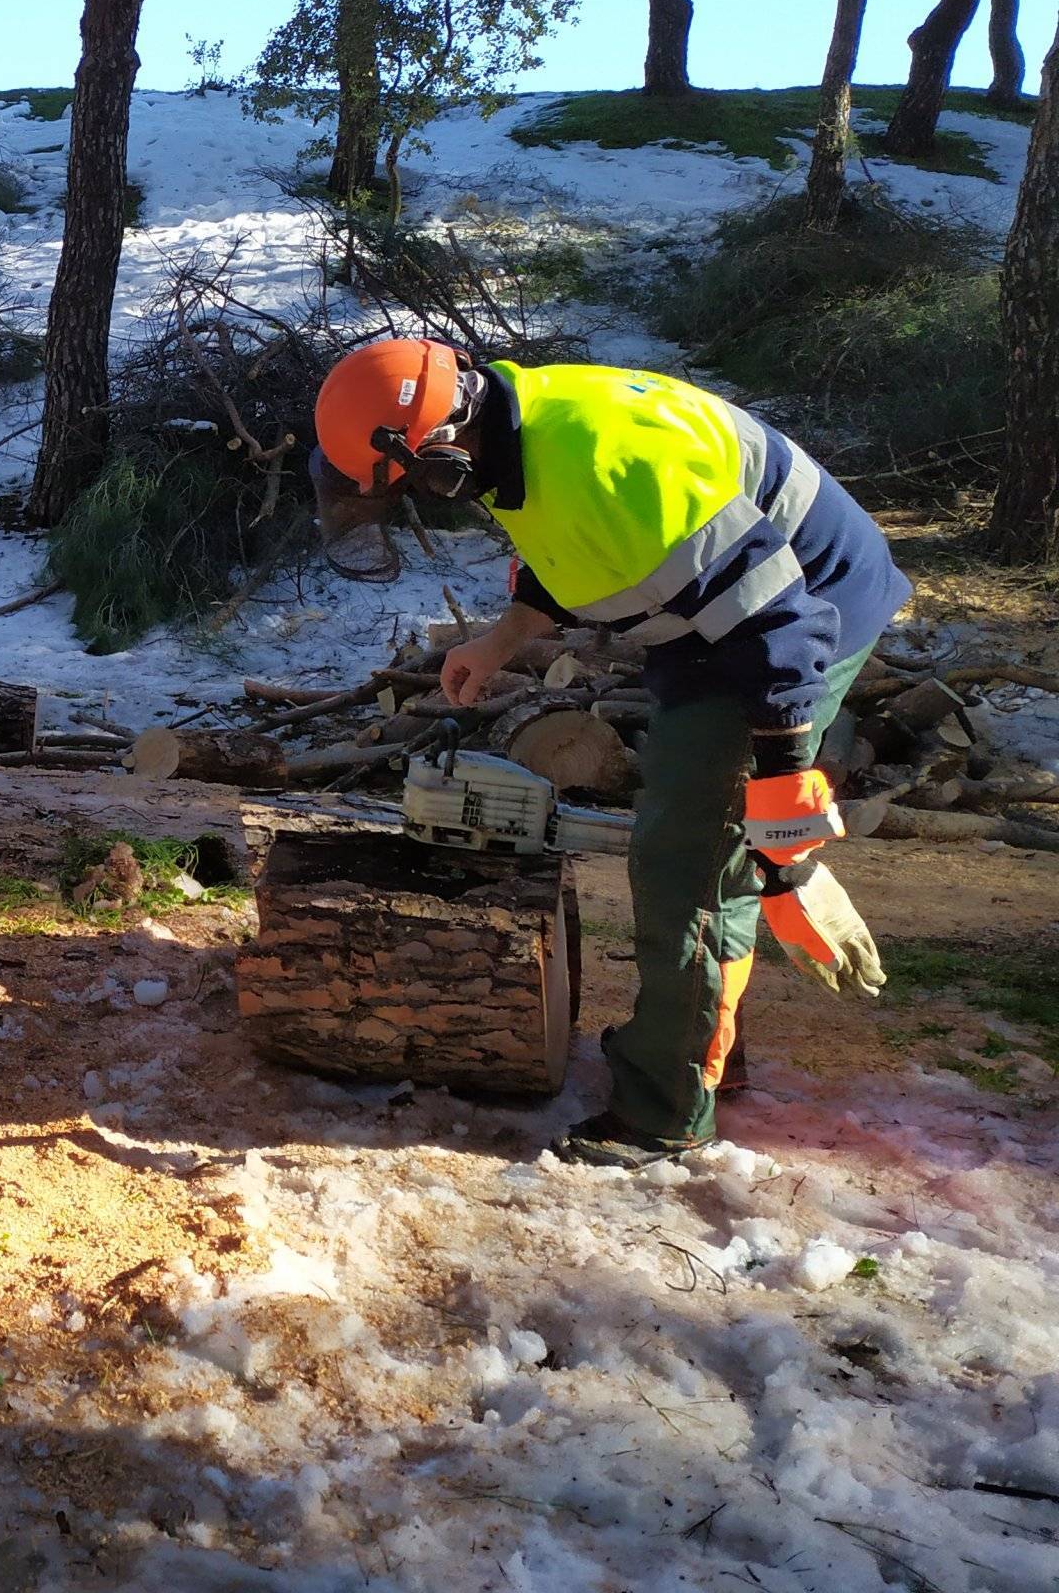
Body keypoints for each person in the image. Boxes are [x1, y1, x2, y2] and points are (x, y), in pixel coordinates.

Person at [312, 340, 908, 1169]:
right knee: (696, 835)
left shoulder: (609, 465)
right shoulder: (511, 433)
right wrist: (498, 641)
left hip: (803, 610)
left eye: (411, 483)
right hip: (724, 621)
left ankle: (665, 1110)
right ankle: (704, 1042)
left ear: (442, 454)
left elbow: (782, 627)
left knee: (685, 861)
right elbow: (565, 552)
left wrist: (781, 806)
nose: (420, 499)